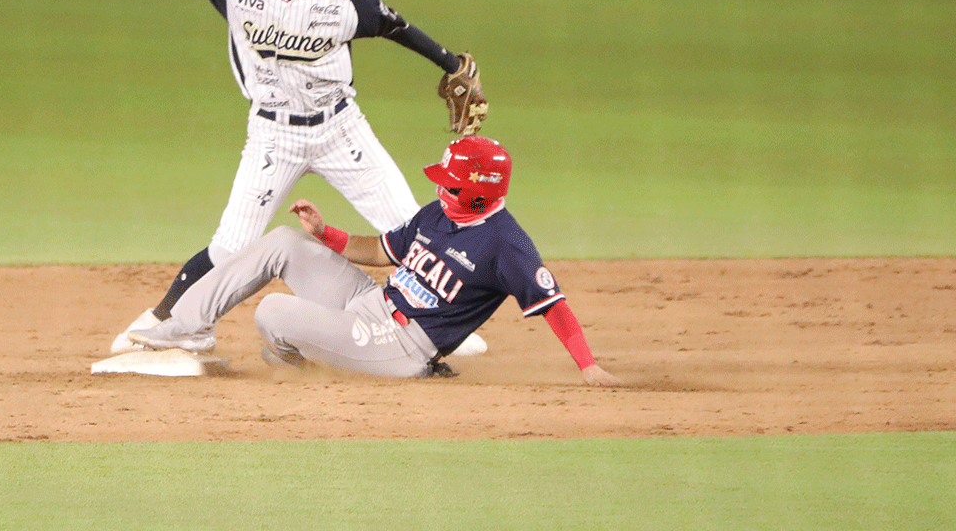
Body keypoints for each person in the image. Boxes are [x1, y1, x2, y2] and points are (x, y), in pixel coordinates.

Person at [110, 0, 486, 356]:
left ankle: (438, 327)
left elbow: (398, 28)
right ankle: (169, 321)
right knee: (230, 248)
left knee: (412, 231)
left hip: (340, 131)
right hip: (273, 136)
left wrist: (451, 64)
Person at [129, 136, 621, 386]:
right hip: (372, 302)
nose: (438, 188)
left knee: (271, 313)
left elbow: (552, 304)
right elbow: (381, 252)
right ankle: (184, 330)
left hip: (402, 345)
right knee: (282, 240)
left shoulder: (507, 246)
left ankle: (297, 367)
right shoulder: (436, 212)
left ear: (479, 193)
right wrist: (325, 234)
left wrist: (589, 367)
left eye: (450, 184)